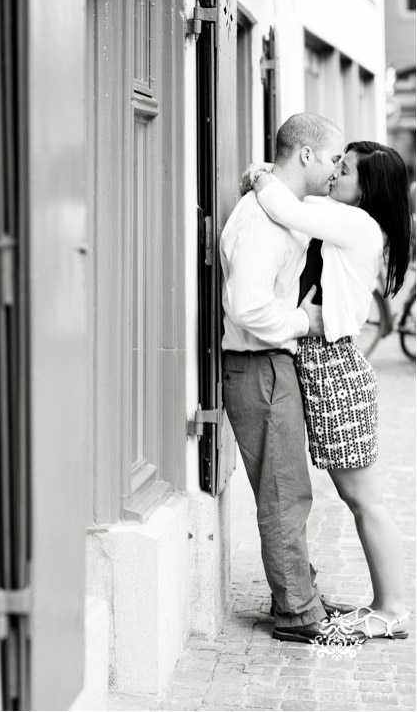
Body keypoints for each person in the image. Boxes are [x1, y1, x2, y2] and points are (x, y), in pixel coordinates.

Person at [244, 140, 413, 640]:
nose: (336, 171)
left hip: (335, 369)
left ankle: (393, 609)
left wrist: (260, 176)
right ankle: (387, 604)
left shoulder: (358, 224)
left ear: (369, 187)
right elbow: (301, 205)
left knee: (363, 498)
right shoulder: (343, 216)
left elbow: (282, 205)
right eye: (336, 161)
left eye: (347, 168)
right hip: (325, 366)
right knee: (357, 496)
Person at [220, 113, 365, 645]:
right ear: (305, 155)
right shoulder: (263, 219)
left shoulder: (282, 206)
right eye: (331, 159)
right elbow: (246, 305)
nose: (336, 170)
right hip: (259, 365)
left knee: (289, 489)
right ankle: (299, 615)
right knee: (284, 493)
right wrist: (307, 321)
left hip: (270, 365)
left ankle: (300, 592)